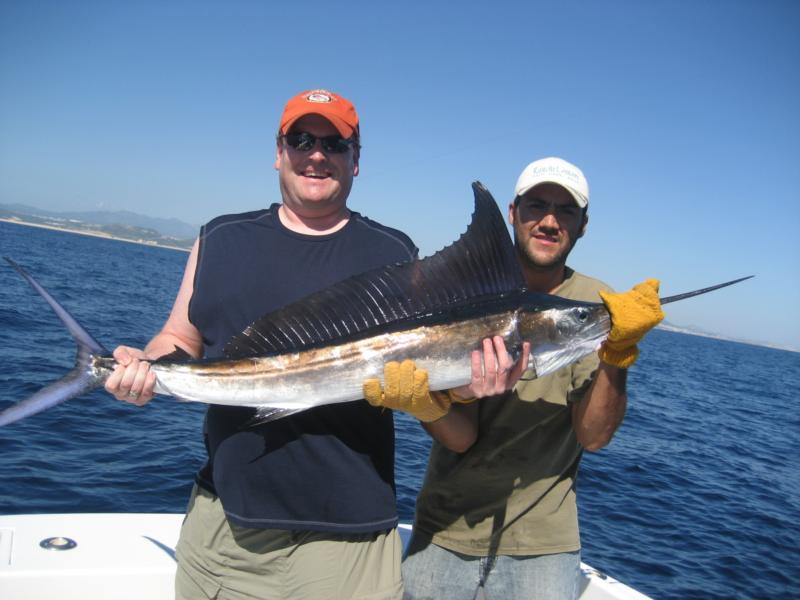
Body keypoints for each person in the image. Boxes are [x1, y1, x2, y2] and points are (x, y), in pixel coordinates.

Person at [104, 89, 451, 600]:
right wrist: (146, 367)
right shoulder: (220, 237)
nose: (317, 154)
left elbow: (428, 362)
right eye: (302, 139)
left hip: (348, 542)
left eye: (335, 144)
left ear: (357, 162)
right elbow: (180, 336)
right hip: (224, 529)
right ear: (278, 151)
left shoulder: (396, 254)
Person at [369, 157, 664, 599]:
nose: (549, 221)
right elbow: (461, 438)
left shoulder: (591, 305)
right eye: (536, 206)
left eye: (566, 211)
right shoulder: (464, 288)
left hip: (543, 548)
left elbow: (595, 435)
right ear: (512, 212)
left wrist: (616, 356)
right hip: (443, 529)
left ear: (583, 225)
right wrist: (425, 403)